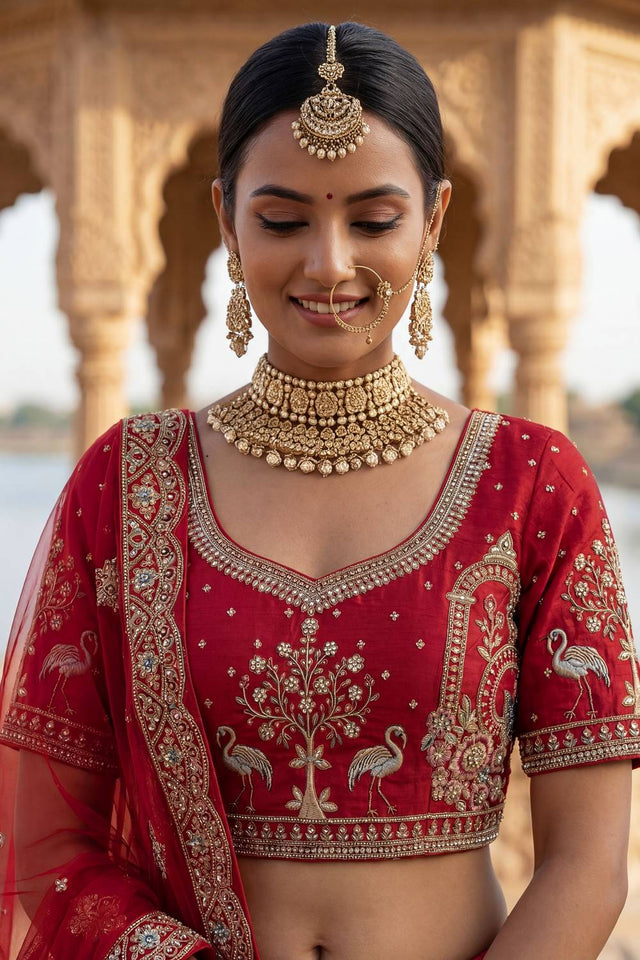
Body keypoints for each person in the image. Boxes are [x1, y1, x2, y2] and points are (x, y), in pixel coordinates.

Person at [0, 20, 638, 960]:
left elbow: (588, 862)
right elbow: (48, 845)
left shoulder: (533, 484)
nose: (330, 263)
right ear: (226, 219)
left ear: (434, 220)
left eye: (374, 221)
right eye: (283, 220)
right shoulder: (128, 484)